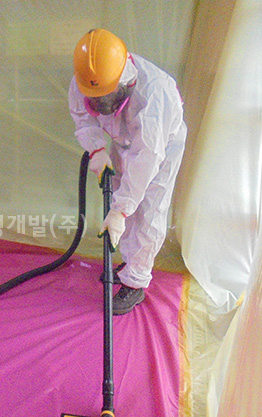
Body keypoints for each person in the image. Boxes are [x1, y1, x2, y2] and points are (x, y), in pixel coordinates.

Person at [68, 29, 186, 315]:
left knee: (147, 210)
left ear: (124, 80)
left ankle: (136, 281)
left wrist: (120, 211)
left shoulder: (155, 94)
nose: (102, 104)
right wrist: (97, 150)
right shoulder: (86, 79)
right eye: (96, 98)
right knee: (120, 194)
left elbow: (147, 157)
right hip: (123, 140)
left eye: (107, 96)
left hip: (159, 147)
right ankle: (129, 263)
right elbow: (83, 116)